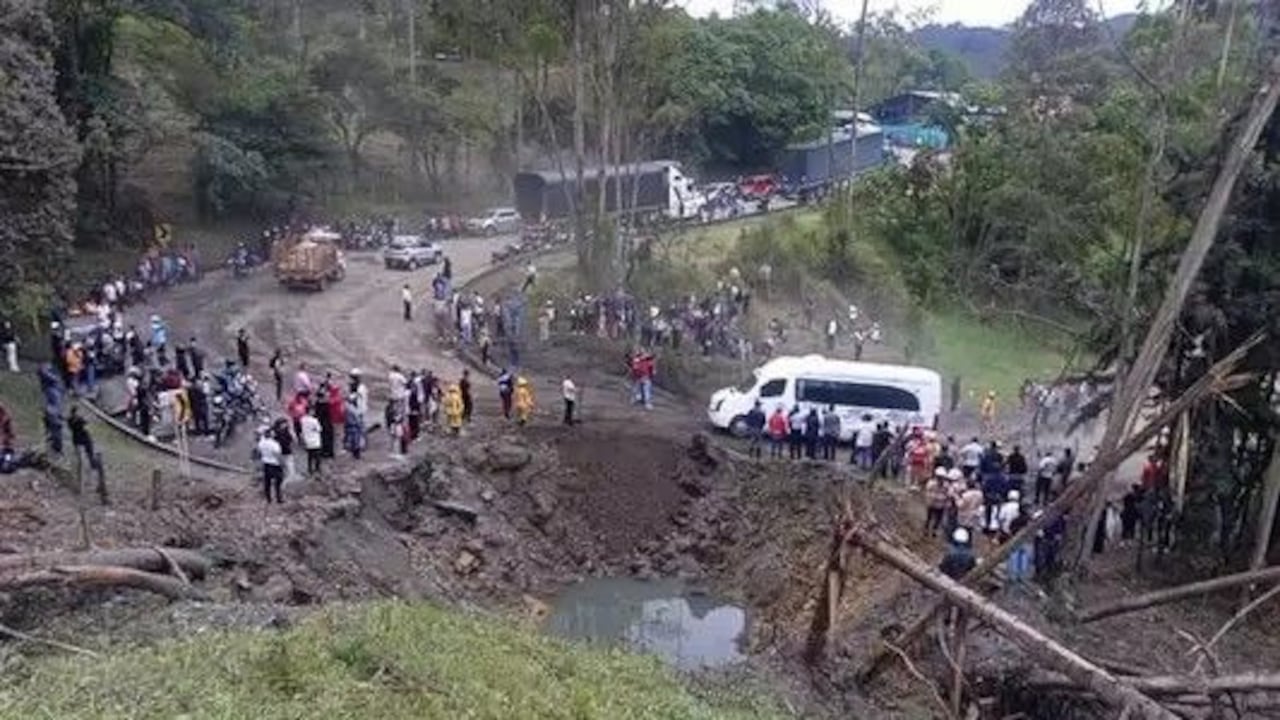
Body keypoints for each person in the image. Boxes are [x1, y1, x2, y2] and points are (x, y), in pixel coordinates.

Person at [67, 406, 101, 473]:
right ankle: (92, 463)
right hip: (83, 437)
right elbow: (86, 422)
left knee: (80, 454)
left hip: (75, 438)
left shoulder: (70, 419)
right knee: (89, 450)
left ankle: (85, 464)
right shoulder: (79, 419)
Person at [256, 427, 284, 503]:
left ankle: (269, 498)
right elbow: (277, 454)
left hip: (266, 463)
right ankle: (278, 497)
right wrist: (282, 463)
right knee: (278, 482)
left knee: (267, 482)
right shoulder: (274, 444)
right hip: (275, 464)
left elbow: (259, 452)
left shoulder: (261, 443)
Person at [924, 468, 949, 536]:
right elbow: (928, 492)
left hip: (941, 504)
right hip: (932, 503)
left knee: (938, 518)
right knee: (929, 517)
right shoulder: (931, 483)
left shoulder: (946, 485)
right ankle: (926, 529)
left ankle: (934, 530)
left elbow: (947, 494)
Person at [300, 406, 322, 476]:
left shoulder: (303, 419)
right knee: (317, 455)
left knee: (309, 456)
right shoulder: (314, 420)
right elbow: (319, 429)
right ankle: (317, 468)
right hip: (315, 439)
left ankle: (310, 468)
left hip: (307, 439)